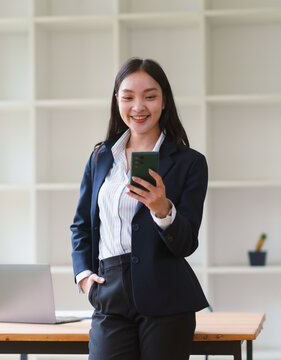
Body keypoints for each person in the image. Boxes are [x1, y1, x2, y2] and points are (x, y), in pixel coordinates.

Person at [70, 58, 209, 360]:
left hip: (166, 297)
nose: (138, 106)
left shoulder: (189, 163)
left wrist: (163, 210)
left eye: (150, 96)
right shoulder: (100, 158)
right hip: (110, 295)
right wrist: (83, 276)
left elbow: (187, 243)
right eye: (128, 96)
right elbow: (81, 224)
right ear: (117, 100)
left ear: (164, 101)